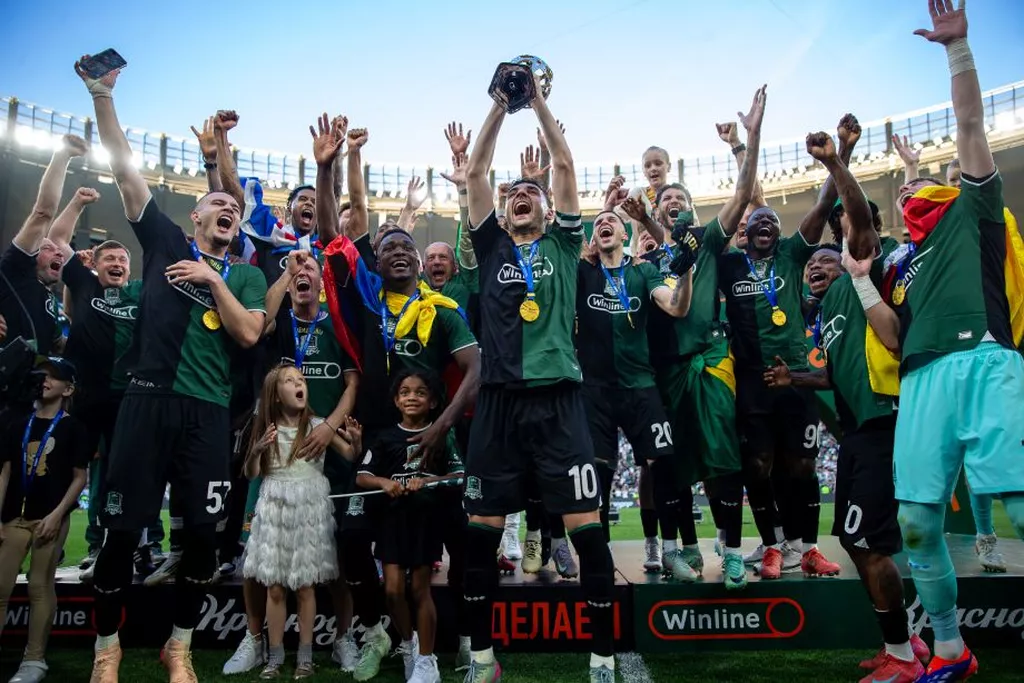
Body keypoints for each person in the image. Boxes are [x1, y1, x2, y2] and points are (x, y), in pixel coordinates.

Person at [76, 55, 269, 683]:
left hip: (207, 415)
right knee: (122, 534)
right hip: (147, 403)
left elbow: (248, 333)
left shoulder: (244, 276)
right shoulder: (163, 242)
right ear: (195, 217)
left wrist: (213, 279)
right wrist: (103, 97)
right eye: (216, 202)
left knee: (203, 541)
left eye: (233, 205)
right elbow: (125, 170)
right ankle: (107, 651)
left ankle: (178, 648)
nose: (227, 207)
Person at [880, 2, 1024, 679]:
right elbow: (889, 334)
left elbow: (968, 125)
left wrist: (957, 51)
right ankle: (948, 648)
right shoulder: (901, 264)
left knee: (1019, 506)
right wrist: (862, 281)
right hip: (920, 380)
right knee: (915, 523)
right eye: (901, 191)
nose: (908, 192)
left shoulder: (974, 210)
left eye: (917, 185)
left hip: (985, 360)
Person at [462, 71, 616, 683]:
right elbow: (476, 173)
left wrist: (542, 103)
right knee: (479, 537)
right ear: (504, 212)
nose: (522, 195)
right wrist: (501, 105)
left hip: (559, 403)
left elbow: (565, 162)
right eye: (515, 193)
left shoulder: (563, 246)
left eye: (533, 191)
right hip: (499, 403)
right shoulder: (493, 247)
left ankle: (602, 660)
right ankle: (481, 661)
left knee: (589, 535)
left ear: (551, 210)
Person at [314, 116, 480, 681]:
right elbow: (332, 235)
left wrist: (442, 426)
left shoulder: (441, 310)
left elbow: (477, 368)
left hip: (431, 445)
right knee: (353, 544)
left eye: (409, 246)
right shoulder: (363, 298)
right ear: (377, 262)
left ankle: (461, 640)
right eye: (390, 247)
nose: (401, 252)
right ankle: (379, 630)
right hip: (370, 444)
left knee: (459, 541)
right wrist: (327, 168)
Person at [764, 131, 931, 683]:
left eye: (825, 259)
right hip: (858, 433)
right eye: (810, 265)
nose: (815, 266)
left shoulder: (861, 274)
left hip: (885, 424)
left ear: (848, 258)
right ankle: (903, 643)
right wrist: (795, 378)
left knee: (870, 543)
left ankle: (905, 657)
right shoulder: (825, 316)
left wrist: (837, 161)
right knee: (855, 542)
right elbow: (834, 377)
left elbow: (855, 218)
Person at [718, 113, 860, 581]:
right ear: (745, 232)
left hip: (796, 378)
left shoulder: (793, 254)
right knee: (758, 466)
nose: (765, 224)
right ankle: (775, 546)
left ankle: (809, 549)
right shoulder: (730, 265)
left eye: (772, 221)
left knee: (802, 465)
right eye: (757, 220)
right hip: (752, 382)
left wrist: (838, 154)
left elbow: (823, 202)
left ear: (780, 233)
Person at [638, 87, 765, 589]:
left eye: (680, 198)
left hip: (711, 359)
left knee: (722, 456)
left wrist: (748, 140)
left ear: (692, 209)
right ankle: (687, 547)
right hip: (668, 369)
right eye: (666, 199)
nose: (673, 202)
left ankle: (731, 552)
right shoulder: (649, 262)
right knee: (674, 461)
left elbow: (743, 194)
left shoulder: (709, 239)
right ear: (658, 212)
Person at [222, 249, 361, 676]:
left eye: (310, 269)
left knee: (334, 556)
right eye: (297, 270)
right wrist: (286, 272)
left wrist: (329, 428)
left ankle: (341, 638)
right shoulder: (278, 322)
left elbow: (353, 381)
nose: (303, 274)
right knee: (257, 558)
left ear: (322, 281)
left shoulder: (337, 322)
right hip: (274, 458)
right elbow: (258, 322)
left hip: (325, 451)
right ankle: (255, 638)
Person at [45, 192, 166, 573]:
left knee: (133, 470)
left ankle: (146, 544)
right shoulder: (85, 286)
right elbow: (56, 240)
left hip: (130, 397)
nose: (116, 263)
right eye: (109, 259)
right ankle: (91, 545)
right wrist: (78, 204)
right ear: (94, 265)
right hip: (84, 396)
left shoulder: (140, 292)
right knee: (77, 470)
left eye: (122, 259)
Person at [576, 205, 697, 581]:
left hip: (641, 387)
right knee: (599, 478)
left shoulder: (643, 271)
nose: (604, 224)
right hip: (595, 392)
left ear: (624, 235)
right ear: (594, 239)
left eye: (611, 220)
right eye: (598, 223)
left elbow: (676, 307)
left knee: (664, 467)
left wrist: (686, 270)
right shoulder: (584, 273)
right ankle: (600, 560)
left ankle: (670, 552)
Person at [242, 364, 358, 679]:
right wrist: (256, 451)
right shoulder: (267, 429)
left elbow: (350, 455)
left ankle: (305, 658)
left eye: (302, 380)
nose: (299, 384)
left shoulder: (318, 425)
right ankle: (275, 657)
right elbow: (252, 473)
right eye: (290, 381)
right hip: (275, 510)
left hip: (309, 510)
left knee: (306, 586)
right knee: (275, 588)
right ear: (275, 395)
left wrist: (357, 442)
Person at [356, 369, 464, 683]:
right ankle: (409, 645)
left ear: (433, 402)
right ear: (395, 401)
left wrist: (427, 481)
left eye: (420, 392)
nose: (411, 397)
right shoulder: (384, 437)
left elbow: (460, 475)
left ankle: (427, 662)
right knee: (392, 590)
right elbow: (362, 476)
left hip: (425, 521)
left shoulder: (441, 434)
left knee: (419, 589)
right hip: (391, 521)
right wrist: (383, 482)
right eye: (404, 392)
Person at [0, 357, 88, 683]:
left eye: (53, 376)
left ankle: (34, 660)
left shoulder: (74, 428)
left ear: (68, 389)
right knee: (0, 586)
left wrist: (57, 514)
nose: (45, 380)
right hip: (14, 517)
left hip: (49, 518)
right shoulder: (17, 423)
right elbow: (5, 472)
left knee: (39, 585)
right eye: (42, 375)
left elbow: (80, 477)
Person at [0, 136, 85, 363]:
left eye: (58, 251)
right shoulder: (15, 269)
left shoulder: (48, 301)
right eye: (47, 248)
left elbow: (59, 345)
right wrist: (63, 155)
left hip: (28, 382)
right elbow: (43, 213)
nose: (59, 253)